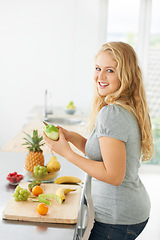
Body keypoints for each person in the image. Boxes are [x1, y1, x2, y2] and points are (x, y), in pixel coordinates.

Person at [42, 42, 154, 240]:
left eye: (109, 70)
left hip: (118, 219)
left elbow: (113, 175)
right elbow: (104, 153)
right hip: (127, 213)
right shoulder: (123, 107)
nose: (100, 77)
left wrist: (67, 153)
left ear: (125, 75)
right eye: (98, 68)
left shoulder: (113, 113)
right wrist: (72, 137)